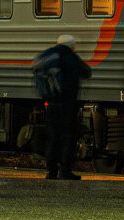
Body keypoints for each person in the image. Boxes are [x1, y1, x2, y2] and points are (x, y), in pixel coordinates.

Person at [35, 34, 92, 180]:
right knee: (68, 137)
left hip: (50, 103)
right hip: (67, 104)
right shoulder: (70, 56)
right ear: (71, 46)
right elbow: (86, 72)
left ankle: (50, 171)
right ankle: (65, 170)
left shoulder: (47, 55)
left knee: (53, 136)